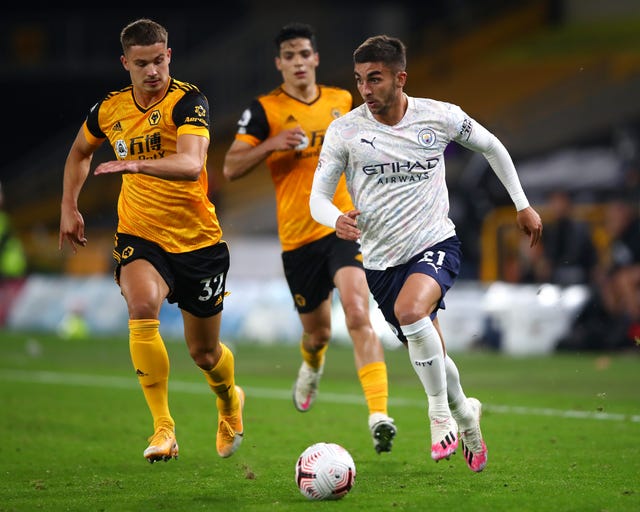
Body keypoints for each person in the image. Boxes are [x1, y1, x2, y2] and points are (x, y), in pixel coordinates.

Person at [310, 35, 543, 472]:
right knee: (433, 347)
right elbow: (318, 198)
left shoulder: (439, 116)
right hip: (380, 261)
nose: (365, 89)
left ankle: (439, 415)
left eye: (374, 79)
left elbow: (491, 146)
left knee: (412, 311)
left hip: (434, 243)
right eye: (359, 80)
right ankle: (467, 415)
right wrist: (333, 218)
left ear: (400, 78)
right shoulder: (346, 130)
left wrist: (522, 204)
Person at [59, 18, 244, 463]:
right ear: (126, 63)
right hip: (140, 234)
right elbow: (80, 152)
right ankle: (164, 428)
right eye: (141, 63)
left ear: (169, 57)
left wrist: (137, 166)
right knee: (141, 305)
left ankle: (229, 402)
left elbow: (191, 163)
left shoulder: (189, 100)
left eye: (159, 60)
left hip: (199, 242)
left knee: (204, 353)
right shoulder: (109, 109)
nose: (152, 71)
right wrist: (69, 205)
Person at [222, 22, 396, 454]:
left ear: (315, 58)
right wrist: (272, 144)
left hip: (342, 227)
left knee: (357, 311)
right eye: (290, 56)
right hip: (298, 241)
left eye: (305, 54)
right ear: (279, 63)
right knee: (317, 333)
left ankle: (378, 415)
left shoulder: (342, 100)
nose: (298, 62)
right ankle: (312, 363)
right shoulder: (264, 111)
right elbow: (229, 167)